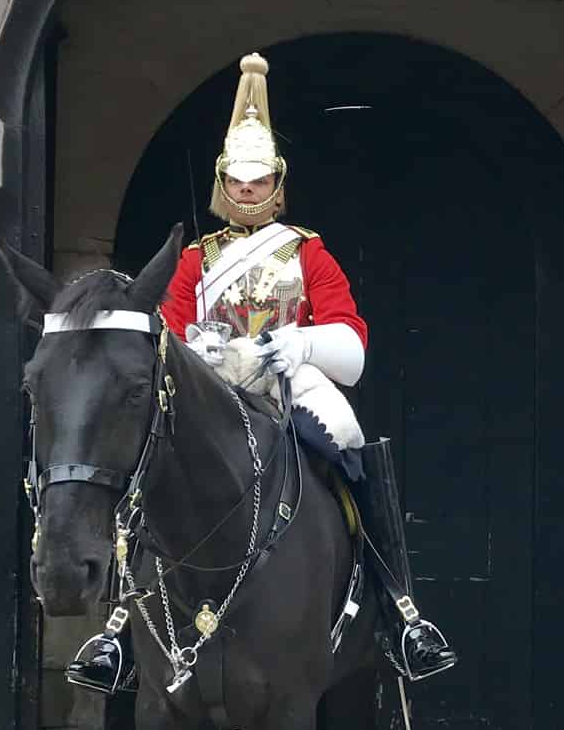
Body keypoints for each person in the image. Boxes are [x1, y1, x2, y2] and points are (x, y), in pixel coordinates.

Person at [67, 52, 457, 695]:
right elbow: (161, 328)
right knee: (144, 463)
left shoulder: (309, 252)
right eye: (238, 182)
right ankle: (117, 628)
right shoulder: (193, 260)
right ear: (224, 183)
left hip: (287, 380)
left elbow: (352, 342)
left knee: (345, 442)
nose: (248, 192)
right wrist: (204, 352)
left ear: (278, 183)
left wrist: (294, 345)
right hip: (208, 383)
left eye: (260, 181)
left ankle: (399, 610)